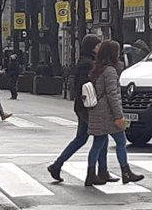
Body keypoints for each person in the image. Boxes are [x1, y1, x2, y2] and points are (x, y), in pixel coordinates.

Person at [47, 35, 116, 184]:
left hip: (82, 106)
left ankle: (58, 165)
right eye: (98, 46)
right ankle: (98, 172)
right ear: (92, 47)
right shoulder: (88, 64)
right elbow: (88, 87)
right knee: (100, 136)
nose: (99, 48)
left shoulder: (84, 62)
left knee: (83, 138)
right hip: (88, 107)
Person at [85, 40, 144, 186]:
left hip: (97, 111)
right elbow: (113, 94)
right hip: (108, 113)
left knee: (98, 144)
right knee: (121, 142)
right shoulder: (110, 71)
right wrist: (119, 116)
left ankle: (91, 174)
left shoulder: (97, 69)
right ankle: (126, 172)